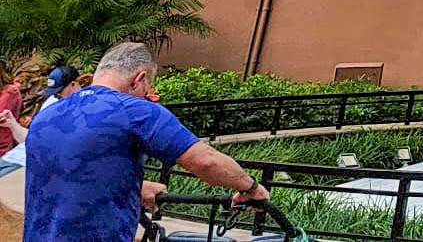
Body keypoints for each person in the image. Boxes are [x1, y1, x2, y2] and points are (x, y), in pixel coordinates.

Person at [23, 42, 269, 242]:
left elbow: (71, 169)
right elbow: (204, 161)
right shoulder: (134, 110)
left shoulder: (46, 116)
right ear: (139, 79)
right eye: (148, 86)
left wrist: (134, 187)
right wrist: (250, 189)